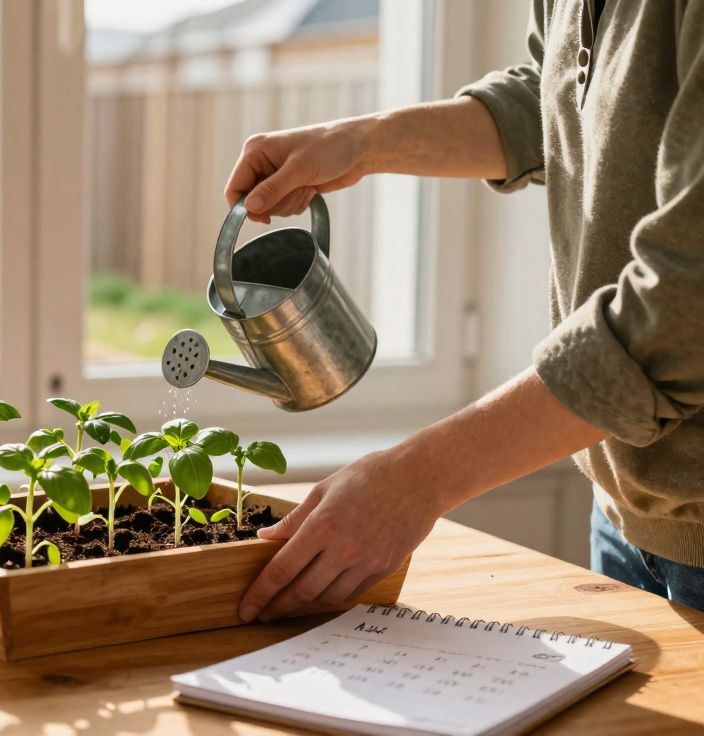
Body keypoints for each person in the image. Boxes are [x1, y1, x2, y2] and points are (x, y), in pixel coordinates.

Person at [229, 0, 704, 622]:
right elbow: (555, 95)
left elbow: (684, 306)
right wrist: (361, 142)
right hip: (624, 506)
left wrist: (418, 480)